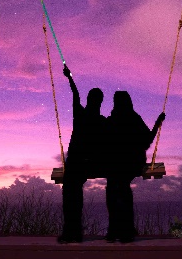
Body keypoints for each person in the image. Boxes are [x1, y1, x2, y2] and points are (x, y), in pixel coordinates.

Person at [105, 90, 165, 243]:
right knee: (122, 189)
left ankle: (113, 230)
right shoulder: (134, 118)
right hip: (132, 164)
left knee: (113, 189)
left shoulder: (112, 120)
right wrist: (157, 124)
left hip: (117, 165)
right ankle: (126, 230)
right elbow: (147, 142)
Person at [58, 64, 106, 244]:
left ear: (89, 100)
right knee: (73, 196)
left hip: (76, 163)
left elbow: (75, 94)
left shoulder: (80, 113)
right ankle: (74, 232)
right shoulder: (101, 121)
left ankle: (73, 232)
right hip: (89, 163)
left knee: (71, 197)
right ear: (100, 102)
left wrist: (69, 77)